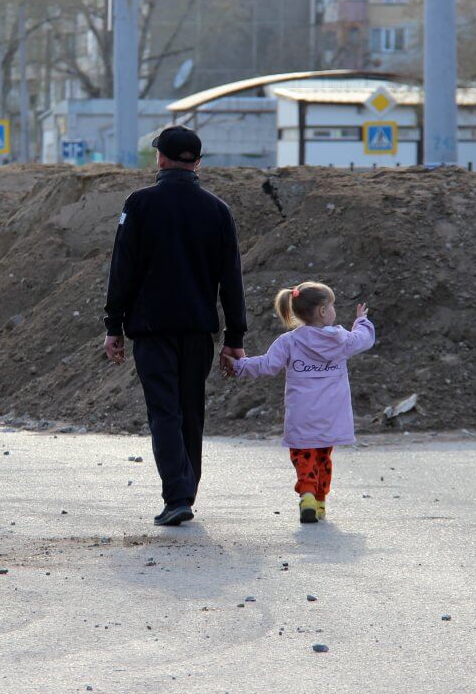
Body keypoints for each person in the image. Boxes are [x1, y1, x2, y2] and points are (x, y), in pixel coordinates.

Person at [103, 125, 247, 527]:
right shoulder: (217, 210)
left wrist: (113, 325)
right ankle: (186, 491)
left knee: (164, 411)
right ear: (198, 163)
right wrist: (234, 338)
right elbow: (231, 277)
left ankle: (178, 495)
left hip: (151, 329)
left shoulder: (139, 204)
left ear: (161, 159)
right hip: (199, 331)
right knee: (190, 410)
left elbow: (122, 269)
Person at [221, 281, 375, 524]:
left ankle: (308, 496)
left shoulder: (288, 341)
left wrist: (239, 366)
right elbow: (363, 339)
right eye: (332, 306)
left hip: (302, 417)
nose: (335, 311)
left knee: (304, 457)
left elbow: (266, 365)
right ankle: (320, 501)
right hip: (331, 417)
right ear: (323, 311)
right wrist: (361, 321)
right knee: (324, 457)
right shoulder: (341, 339)